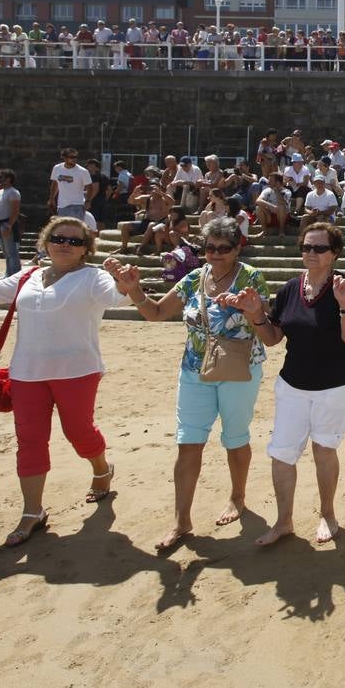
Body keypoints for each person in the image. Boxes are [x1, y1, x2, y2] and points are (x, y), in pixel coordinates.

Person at [0, 218, 129, 546]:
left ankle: (101, 468)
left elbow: (116, 297)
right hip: (27, 373)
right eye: (59, 237)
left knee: (78, 432)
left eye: (75, 241)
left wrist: (126, 284)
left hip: (77, 371)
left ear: (85, 249)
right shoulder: (29, 276)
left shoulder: (94, 277)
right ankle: (32, 511)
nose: (65, 244)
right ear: (46, 241)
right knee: (30, 441)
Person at [112, 217, 269, 552]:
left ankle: (237, 496)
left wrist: (251, 309)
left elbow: (265, 324)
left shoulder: (251, 276)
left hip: (240, 368)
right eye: (208, 248)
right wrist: (134, 289)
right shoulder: (194, 278)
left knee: (235, 436)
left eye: (223, 249)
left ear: (237, 247)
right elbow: (155, 313)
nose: (214, 255)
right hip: (194, 370)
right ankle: (181, 520)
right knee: (188, 442)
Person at [222, 225, 345, 546]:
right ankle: (283, 521)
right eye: (306, 247)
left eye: (318, 248)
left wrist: (344, 304)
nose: (310, 254)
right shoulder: (289, 289)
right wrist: (256, 314)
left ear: (334, 253)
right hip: (293, 384)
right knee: (282, 454)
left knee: (323, 450)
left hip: (336, 384)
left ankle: (327, 514)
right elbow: (273, 339)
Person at [49, 147, 94, 221]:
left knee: (75, 230)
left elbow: (90, 187)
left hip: (77, 205)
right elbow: (55, 184)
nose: (74, 159)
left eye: (76, 157)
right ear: (64, 157)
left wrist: (88, 201)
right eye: (72, 157)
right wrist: (51, 199)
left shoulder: (82, 171)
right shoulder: (57, 168)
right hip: (62, 205)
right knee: (63, 230)